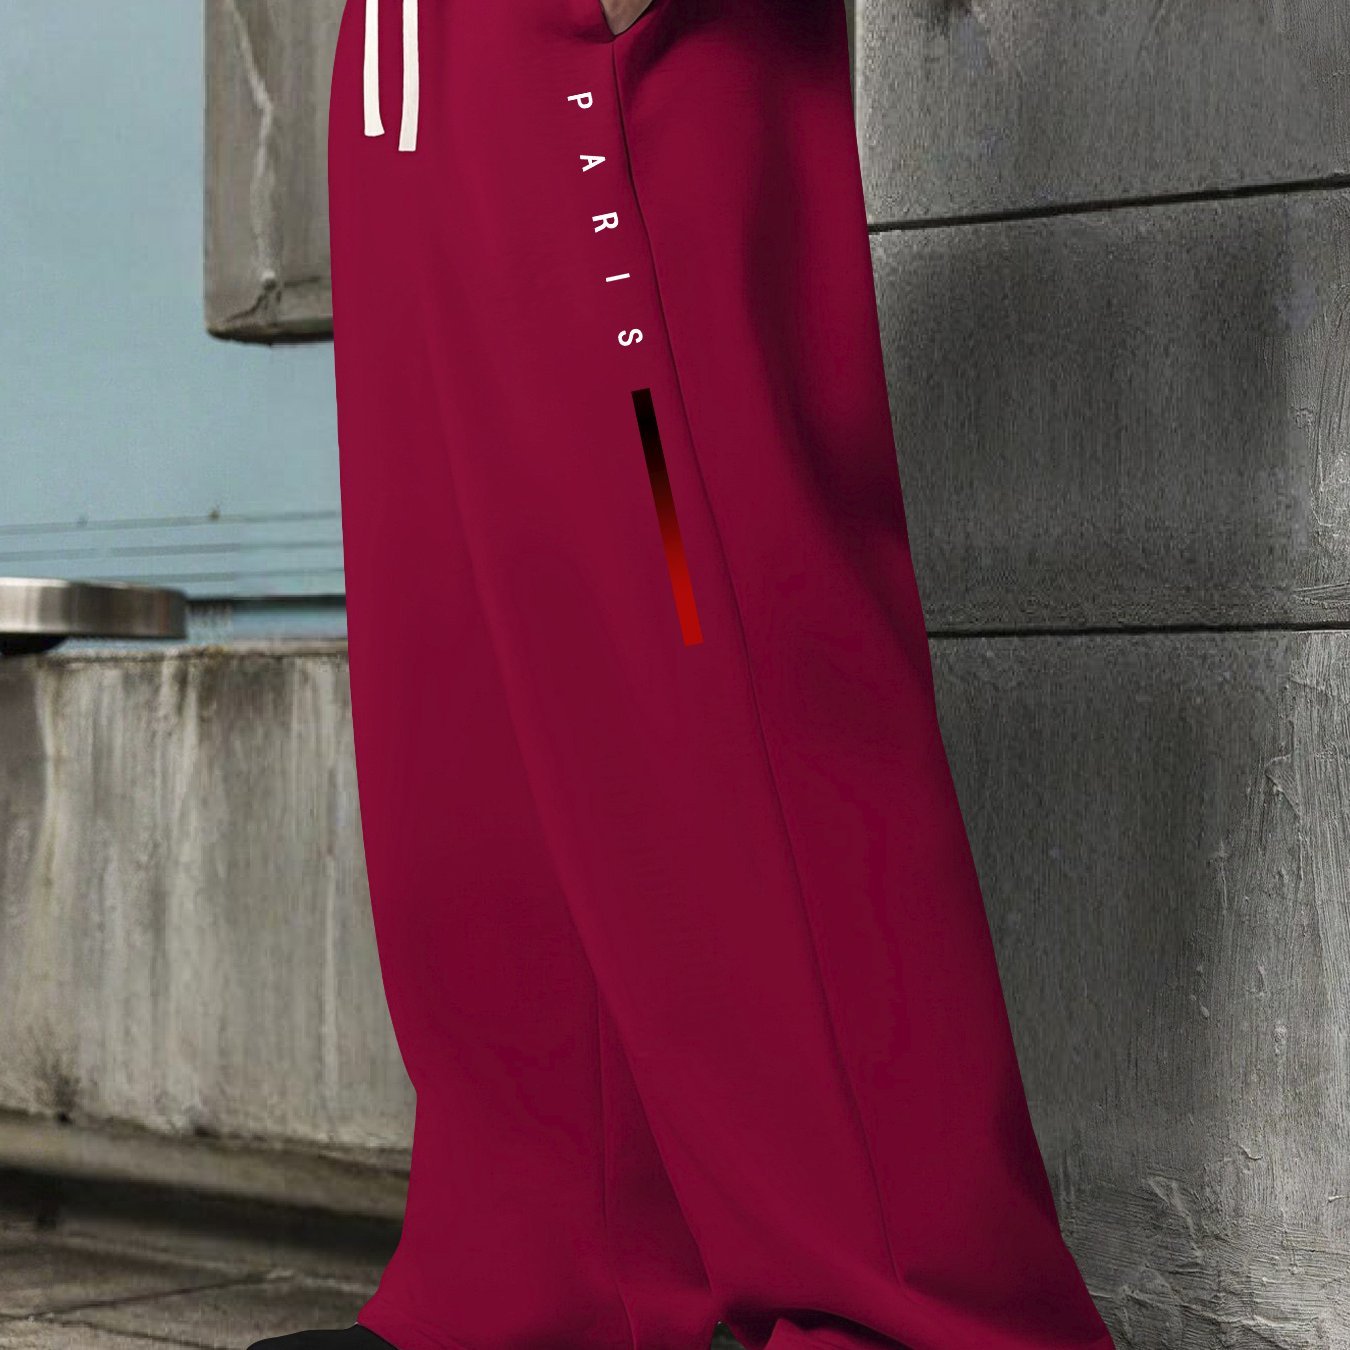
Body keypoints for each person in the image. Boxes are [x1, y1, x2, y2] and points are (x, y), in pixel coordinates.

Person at [250, 0, 1117, 1347]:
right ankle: (542, 1279)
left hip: (602, 38)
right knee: (477, 671)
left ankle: (914, 1313)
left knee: (698, 623)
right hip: (417, 55)